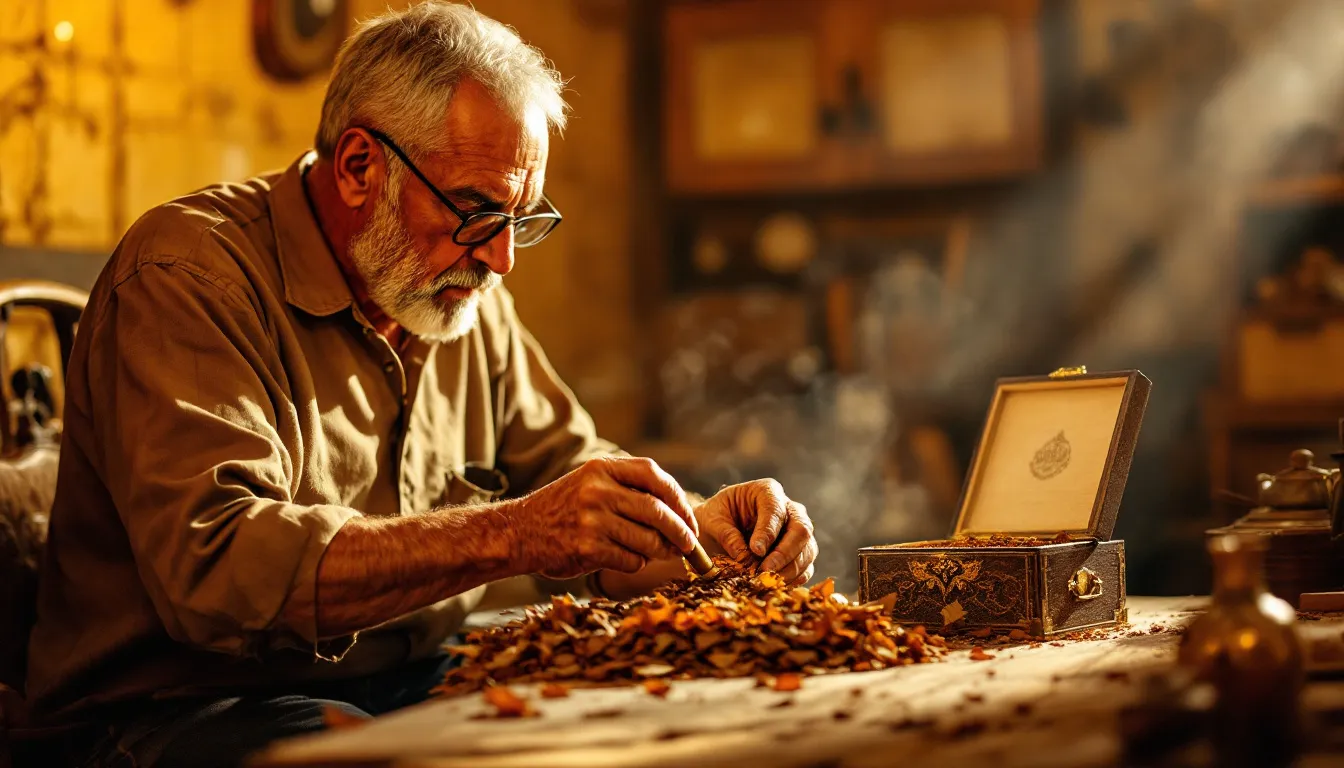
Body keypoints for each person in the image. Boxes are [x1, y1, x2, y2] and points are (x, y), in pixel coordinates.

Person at [23, 3, 817, 766]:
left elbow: (577, 494)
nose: (502, 258)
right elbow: (218, 573)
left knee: (647, 706)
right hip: (185, 706)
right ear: (361, 165)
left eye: (522, 218)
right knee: (394, 755)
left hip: (410, 675)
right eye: (476, 210)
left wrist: (704, 536)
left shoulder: (459, 294)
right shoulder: (188, 277)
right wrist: (511, 533)